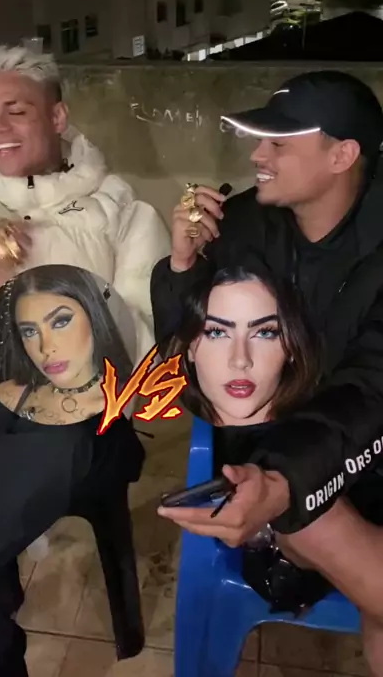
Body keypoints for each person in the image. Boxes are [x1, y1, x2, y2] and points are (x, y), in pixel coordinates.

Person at [0, 45, 170, 676]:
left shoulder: (122, 211)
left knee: (39, 459)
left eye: (16, 111)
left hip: (78, 419)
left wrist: (75, 319)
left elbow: (148, 351)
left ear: (57, 116)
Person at [152, 70, 383, 672]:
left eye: (279, 144)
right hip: (280, 456)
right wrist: (183, 266)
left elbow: (372, 388)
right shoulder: (242, 227)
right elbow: (180, 357)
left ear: (342, 155)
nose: (257, 155)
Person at [0, 264, 135, 425]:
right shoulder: (6, 396)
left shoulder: (128, 403)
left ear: (92, 316)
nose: (46, 348)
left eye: (61, 322)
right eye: (30, 331)